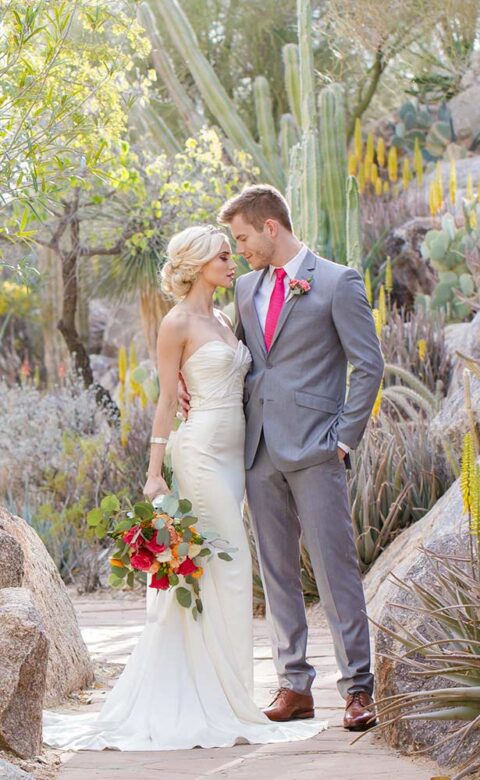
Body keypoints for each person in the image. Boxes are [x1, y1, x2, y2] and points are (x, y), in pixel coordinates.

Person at [42, 225, 326, 751]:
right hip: (196, 455)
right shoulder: (176, 323)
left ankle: (224, 689)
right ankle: (216, 698)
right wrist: (155, 473)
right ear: (197, 265)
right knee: (231, 565)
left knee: (216, 571)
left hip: (233, 457)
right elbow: (167, 401)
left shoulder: (223, 317)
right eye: (223, 255)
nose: (232, 261)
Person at [202, 184, 384, 731]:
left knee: (335, 571)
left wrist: (344, 438)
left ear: (270, 227)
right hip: (259, 451)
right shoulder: (245, 291)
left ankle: (357, 690)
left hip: (317, 448)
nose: (240, 252)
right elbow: (241, 361)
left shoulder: (337, 282)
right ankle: (294, 685)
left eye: (243, 239)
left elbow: (367, 365)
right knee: (277, 574)